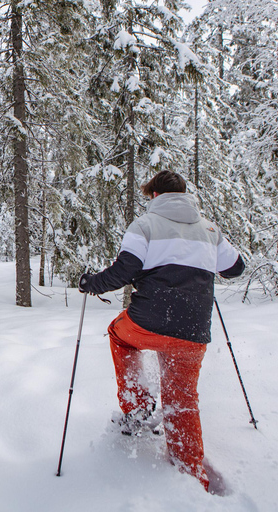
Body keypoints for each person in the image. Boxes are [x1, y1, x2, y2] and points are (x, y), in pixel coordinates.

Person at [78, 171, 244, 491]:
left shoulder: (145, 225)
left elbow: (125, 271)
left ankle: (137, 407)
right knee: (182, 398)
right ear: (184, 195)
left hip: (147, 323)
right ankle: (191, 471)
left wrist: (91, 283)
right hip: (192, 331)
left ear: (154, 195)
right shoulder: (209, 229)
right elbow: (235, 268)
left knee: (118, 334)